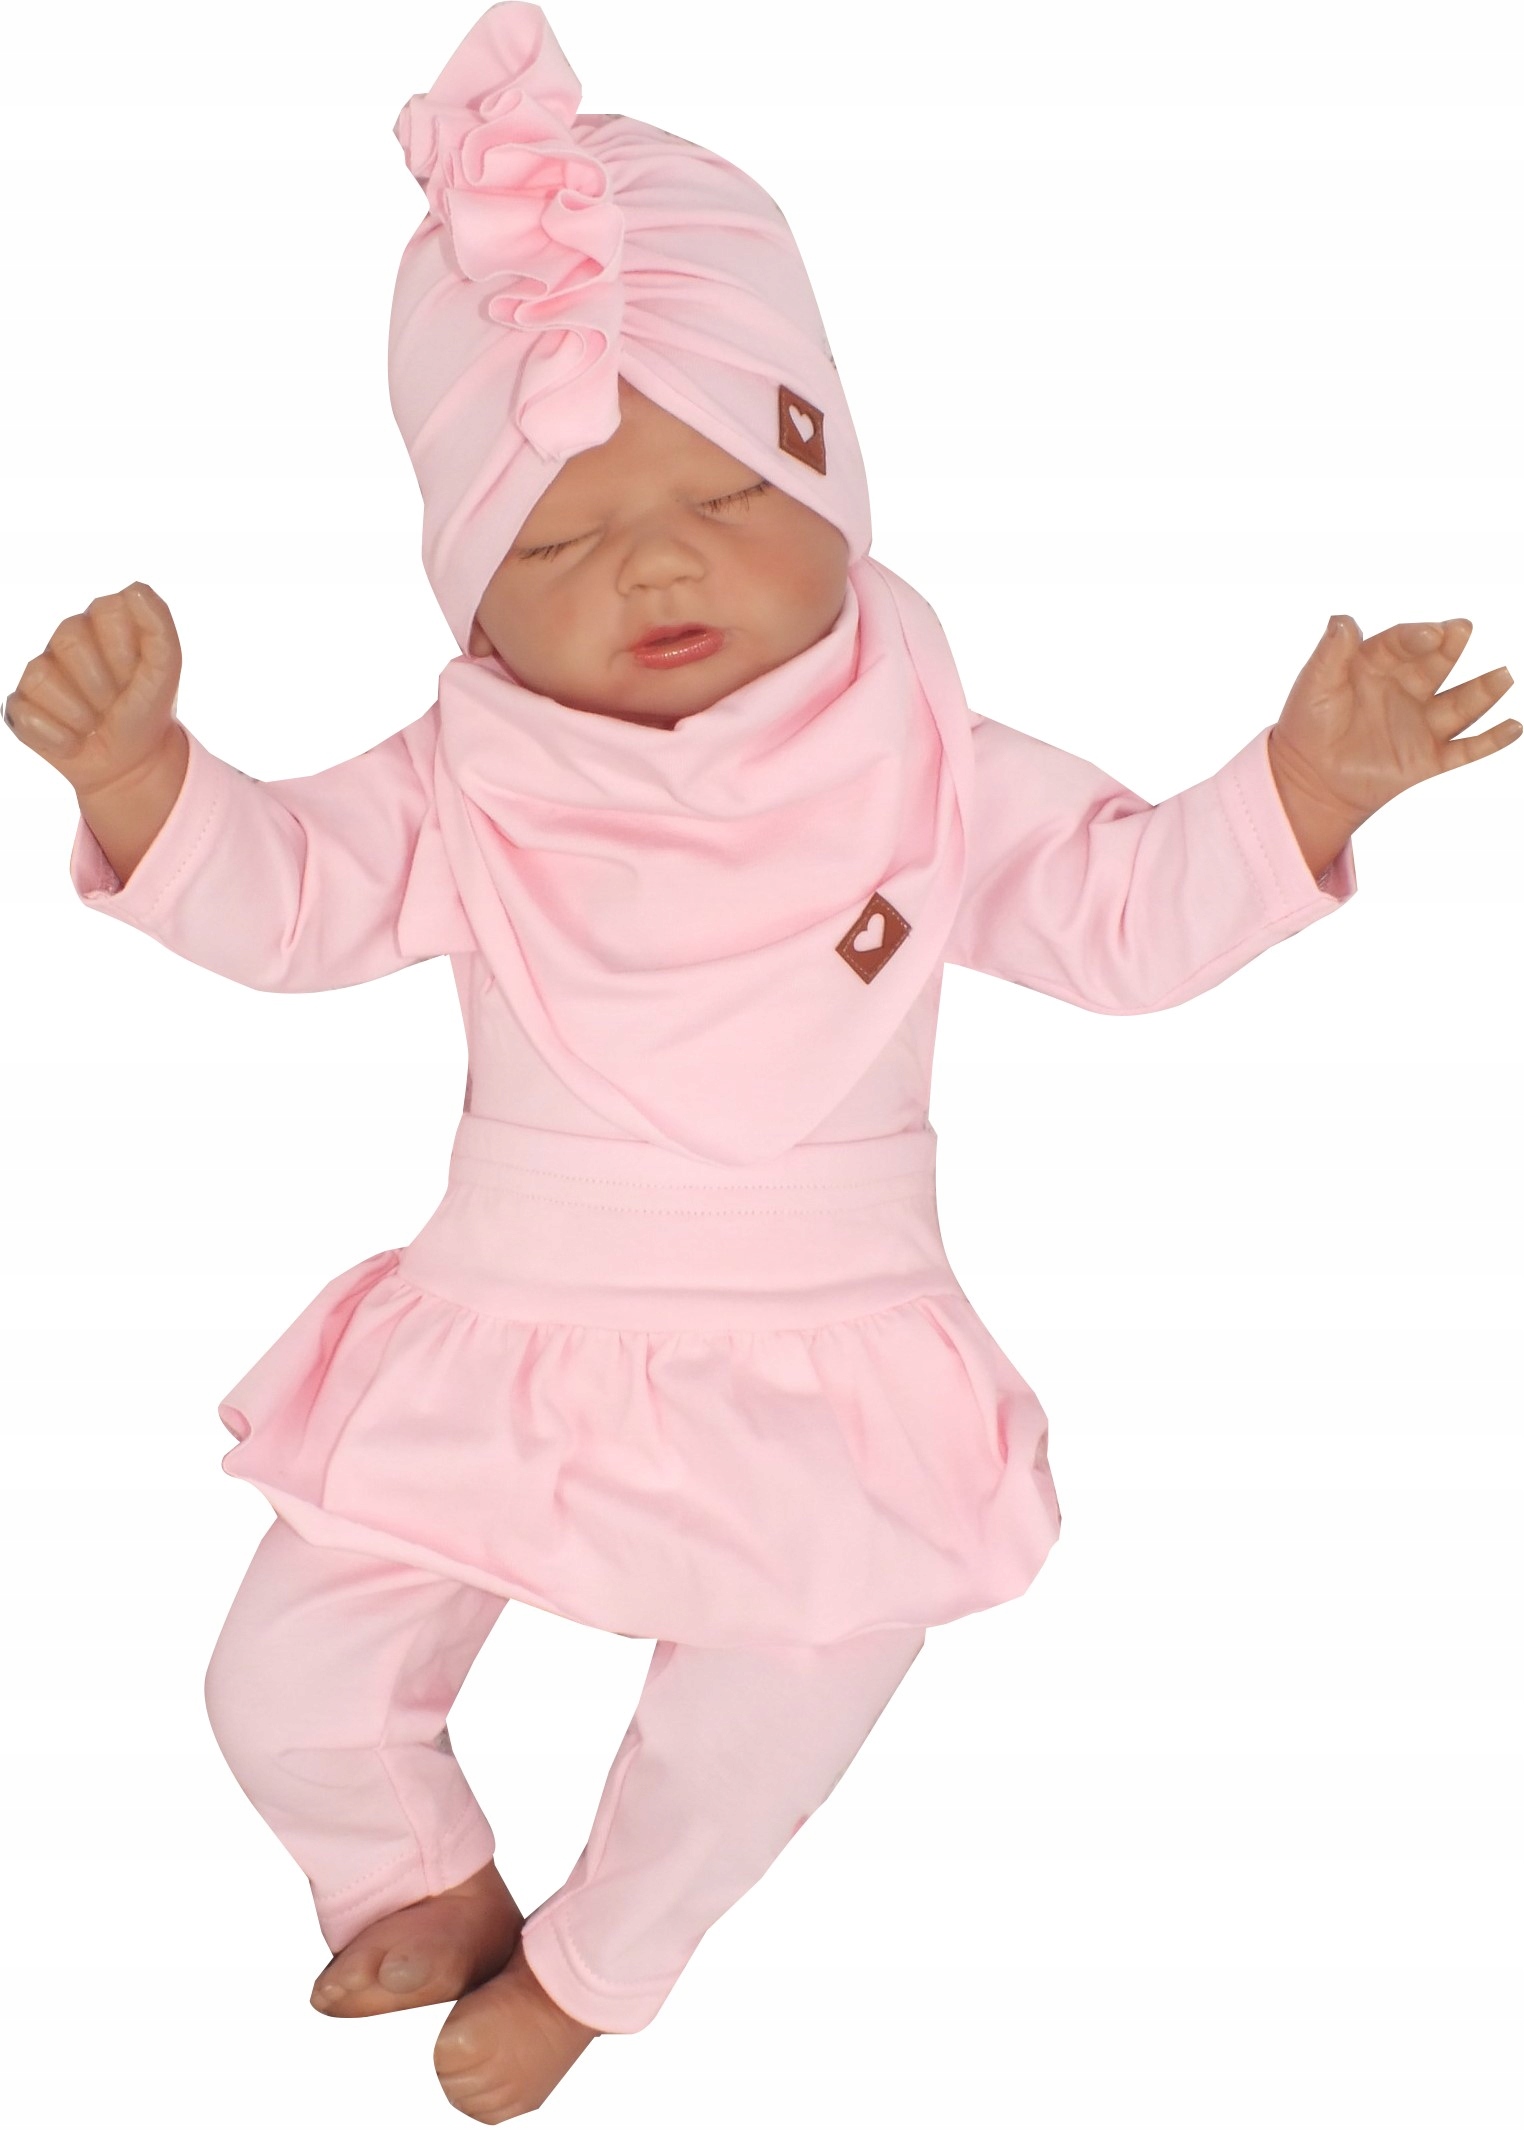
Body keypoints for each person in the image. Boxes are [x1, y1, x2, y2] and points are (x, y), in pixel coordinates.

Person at [4, 4, 1516, 2120]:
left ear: (835, 476)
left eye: (728, 488)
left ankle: (600, 1962)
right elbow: (297, 902)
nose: (654, 558)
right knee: (275, 1680)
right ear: (469, 594)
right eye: (554, 540)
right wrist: (153, 777)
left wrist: (1296, 790)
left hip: (823, 1354)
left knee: (778, 1697)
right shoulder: (471, 773)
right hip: (502, 1323)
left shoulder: (924, 758)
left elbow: (1117, 917)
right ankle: (412, 1874)